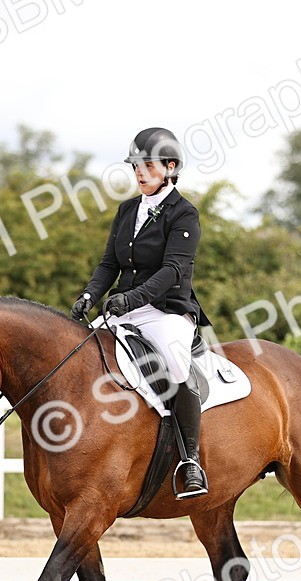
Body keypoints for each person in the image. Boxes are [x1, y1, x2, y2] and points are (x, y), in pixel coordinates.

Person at [71, 127, 210, 498]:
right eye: (136, 167)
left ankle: (191, 460)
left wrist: (132, 299)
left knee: (176, 365)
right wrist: (89, 295)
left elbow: (173, 270)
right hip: (123, 308)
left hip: (167, 311)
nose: (140, 173)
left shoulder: (184, 213)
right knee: (80, 353)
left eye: (148, 166)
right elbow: (109, 264)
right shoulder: (127, 210)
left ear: (170, 167)